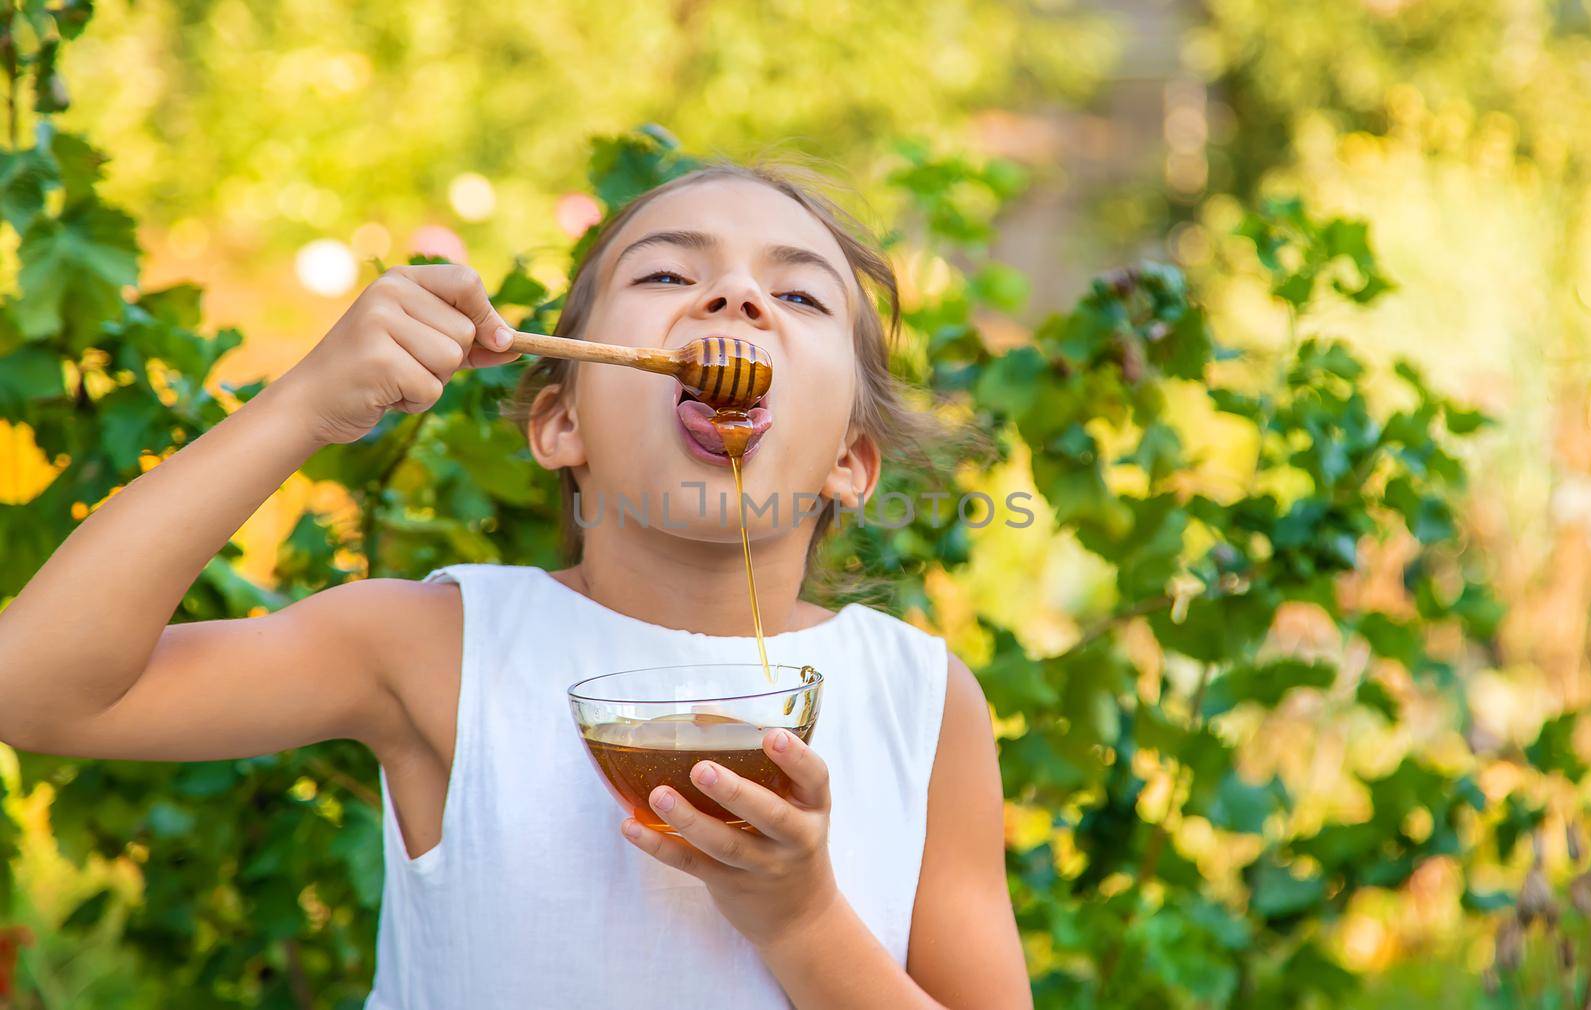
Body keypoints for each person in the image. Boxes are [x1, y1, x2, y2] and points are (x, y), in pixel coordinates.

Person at [0, 162, 1032, 1009]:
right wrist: (302, 405)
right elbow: (31, 687)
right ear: (561, 422)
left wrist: (803, 920)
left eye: (798, 294)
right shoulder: (436, 646)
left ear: (851, 461)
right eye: (670, 276)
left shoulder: (921, 700)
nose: (737, 298)